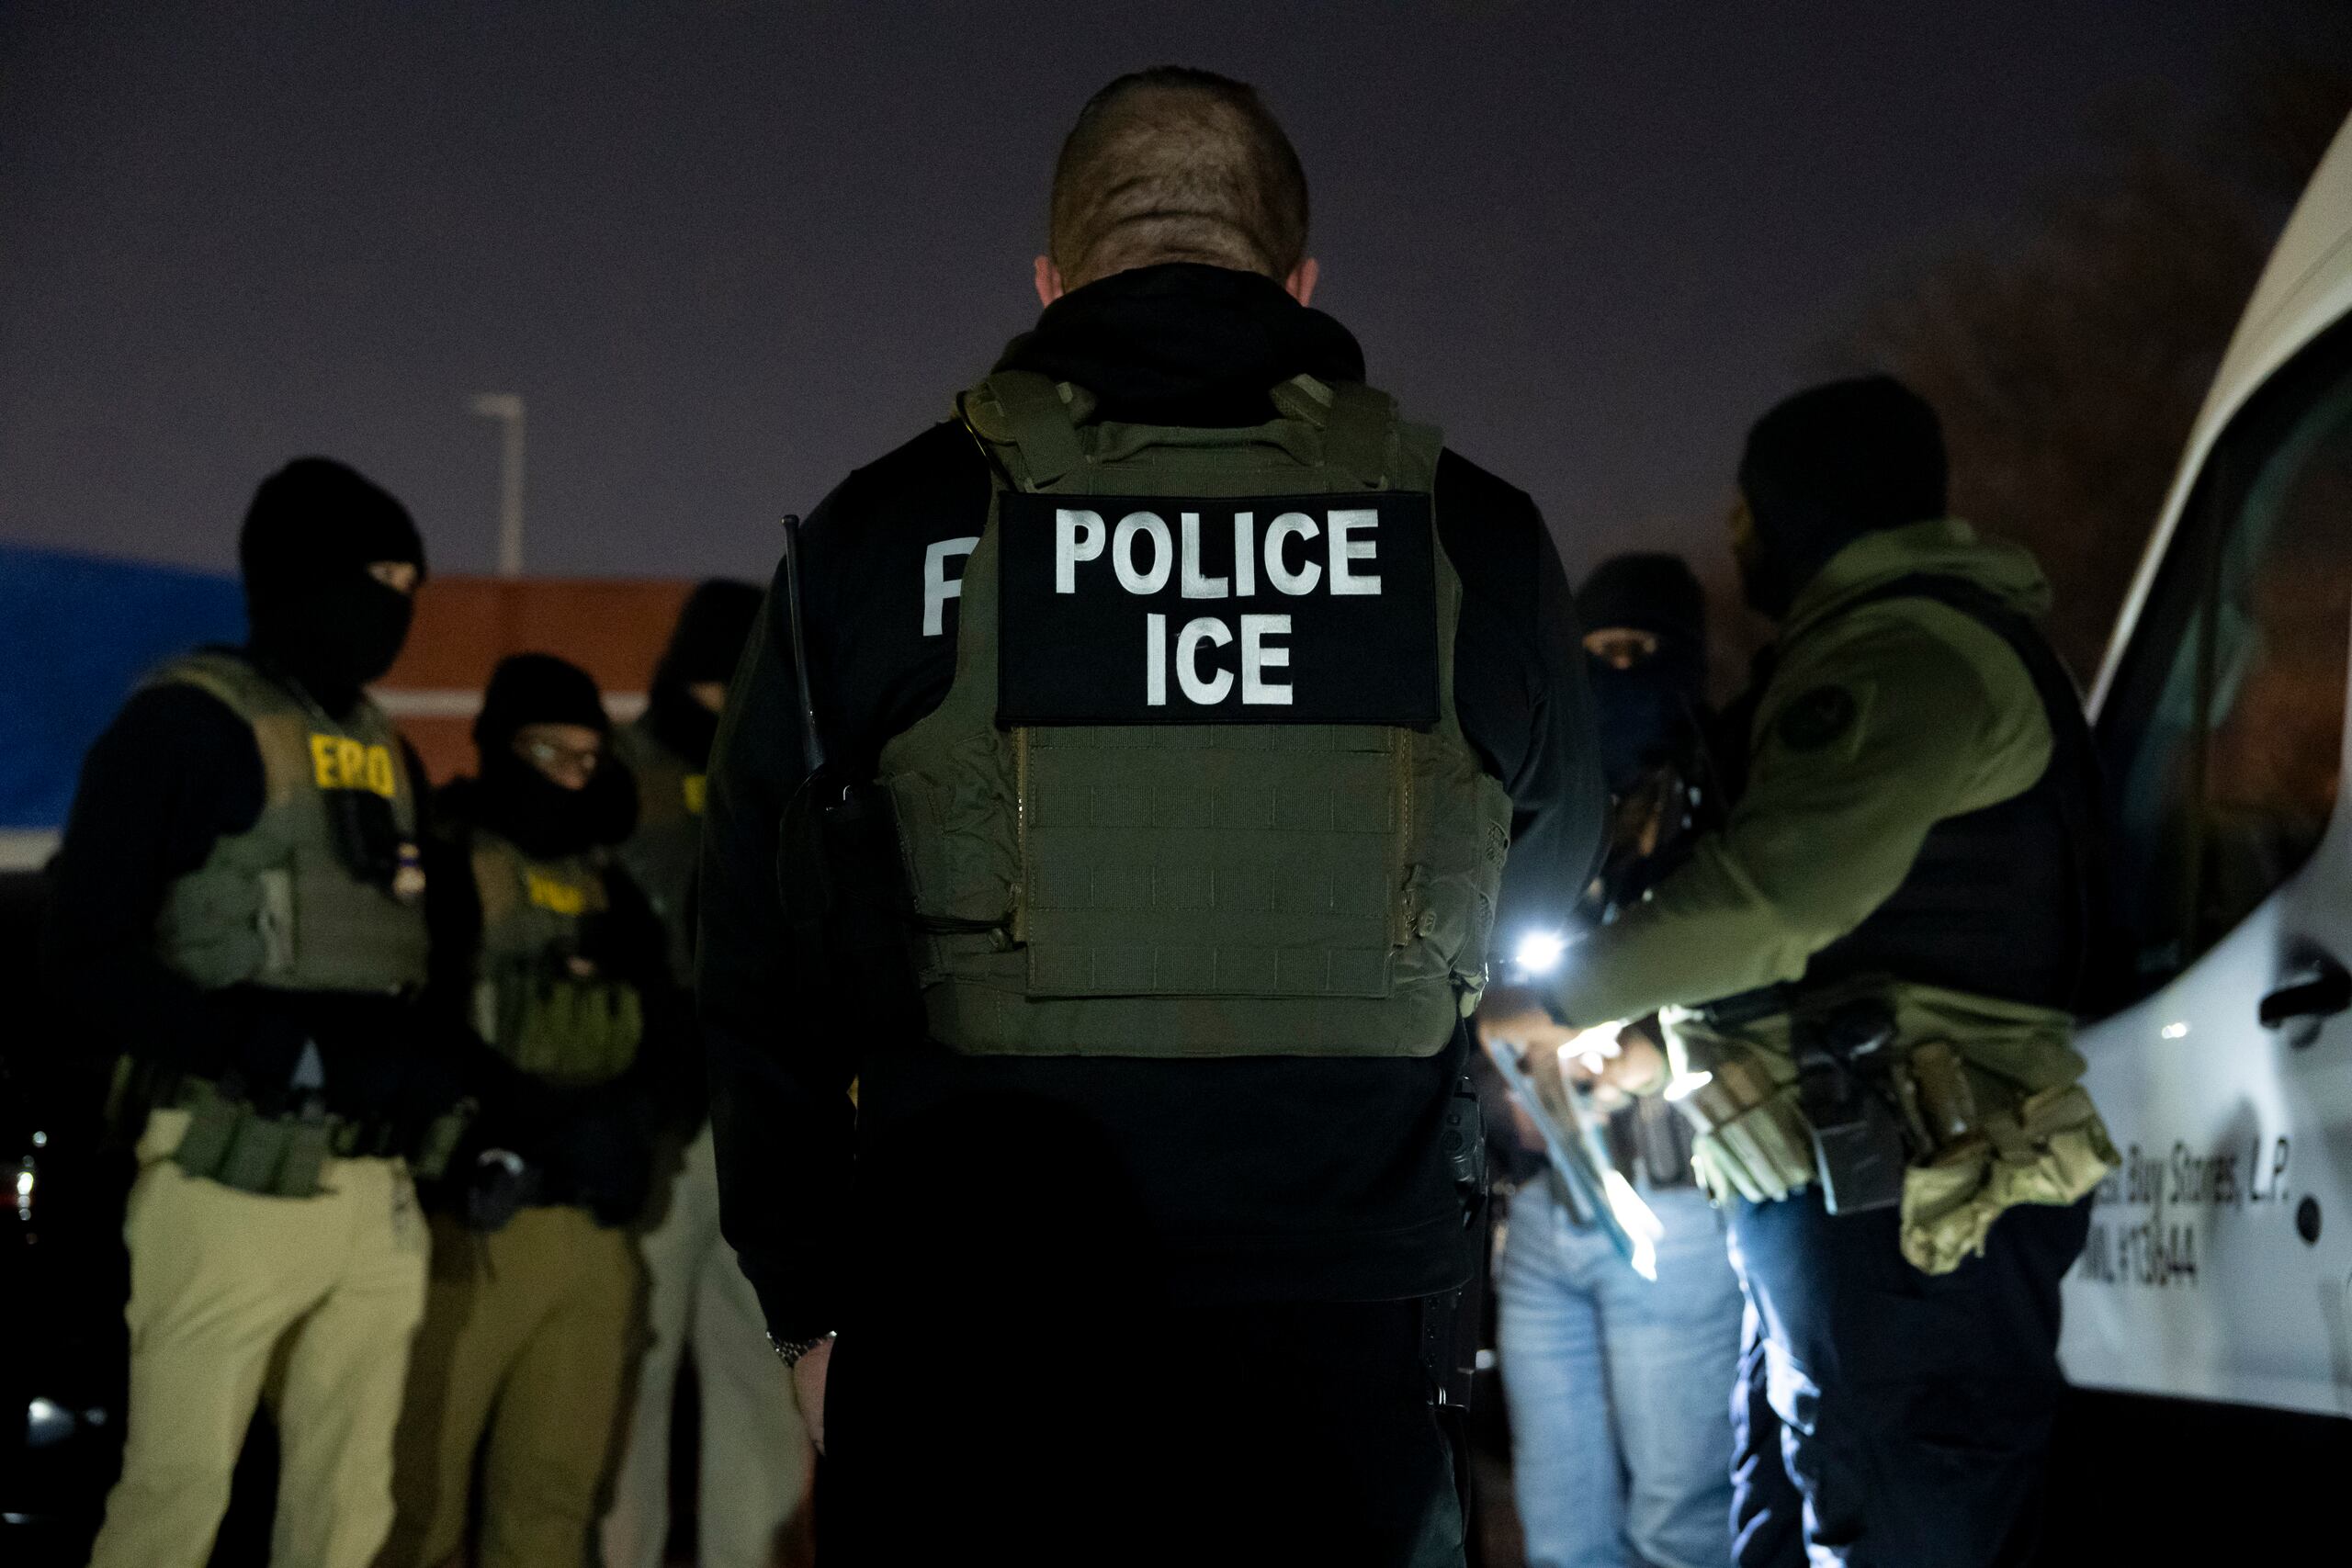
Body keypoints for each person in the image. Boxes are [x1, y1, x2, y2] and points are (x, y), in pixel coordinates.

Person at [699, 66, 1605, 1568]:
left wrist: (810, 1306)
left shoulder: (882, 528)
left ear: (1052, 282)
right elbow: (1542, 877)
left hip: (973, 1356)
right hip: (1343, 1359)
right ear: (1300, 280)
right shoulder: (1476, 536)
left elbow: (751, 961)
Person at [1481, 378, 2118, 1568]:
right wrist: (1660, 1049)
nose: (1738, 540)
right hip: (1851, 1205)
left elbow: (1783, 896)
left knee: (1889, 1529)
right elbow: (1843, 939)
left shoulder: (1902, 652)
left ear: (1799, 506)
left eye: (1748, 513)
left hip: (1906, 1213)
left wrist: (1553, 1004)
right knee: (1793, 1527)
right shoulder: (1880, 650)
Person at [45, 457, 477, 1568]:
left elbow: (423, 951)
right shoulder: (185, 724)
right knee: (174, 1504)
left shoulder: (382, 747)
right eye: (377, 573)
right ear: (303, 577)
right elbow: (82, 950)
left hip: (374, 1186)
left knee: (348, 1509)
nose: (398, 600)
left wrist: (426, 1068)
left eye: (410, 578)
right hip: (230, 1170)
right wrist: (262, 1042)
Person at [379, 653, 688, 1568]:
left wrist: (630, 1128)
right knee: (419, 1504)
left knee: (553, 1508)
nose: (567, 777)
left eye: (588, 758)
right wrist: (545, 1125)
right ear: (497, 746)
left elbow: (671, 1033)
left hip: (589, 1236)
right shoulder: (447, 859)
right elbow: (423, 1031)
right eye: (547, 751)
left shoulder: (610, 885)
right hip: (471, 1232)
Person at [1484, 553, 1743, 1568]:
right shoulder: (1550, 811)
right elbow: (1491, 997)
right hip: (1546, 1211)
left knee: (1678, 1524)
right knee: (1561, 1533)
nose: (1618, 675)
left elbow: (1731, 976)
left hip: (1672, 1215)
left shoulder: (1719, 805)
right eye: (1596, 655)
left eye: (1641, 653)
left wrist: (1632, 1048)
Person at [603, 581, 814, 1568]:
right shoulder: (627, 781)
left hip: (745, 1134)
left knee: (755, 1406)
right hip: (653, 1132)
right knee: (623, 1400)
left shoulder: (778, 787)